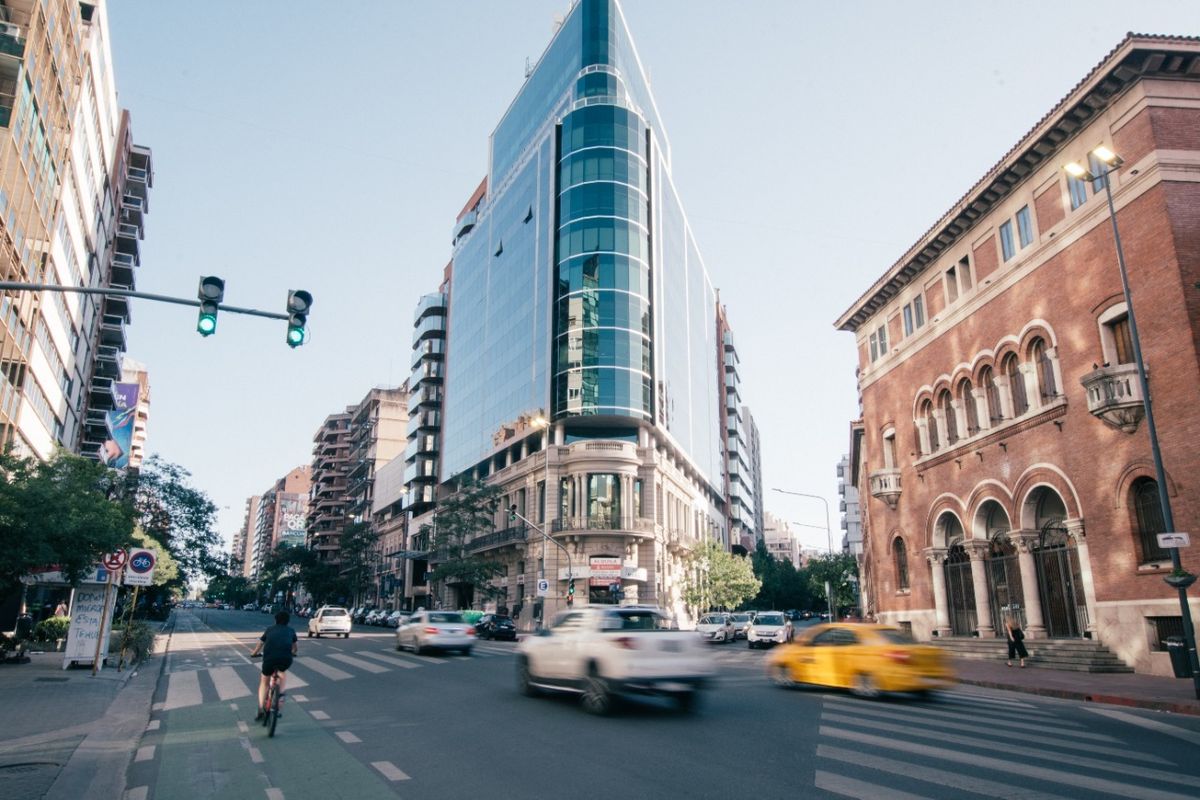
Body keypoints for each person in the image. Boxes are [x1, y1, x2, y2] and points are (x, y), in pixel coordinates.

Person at [250, 611, 298, 720]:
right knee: (282, 673)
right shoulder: (291, 630)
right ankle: (281, 694)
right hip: (285, 659)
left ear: (275, 620)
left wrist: (254, 653)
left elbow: (260, 644)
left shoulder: (269, 629)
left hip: (269, 659)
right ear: (288, 621)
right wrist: (293, 653)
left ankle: (261, 709)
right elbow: (295, 648)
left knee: (264, 682)